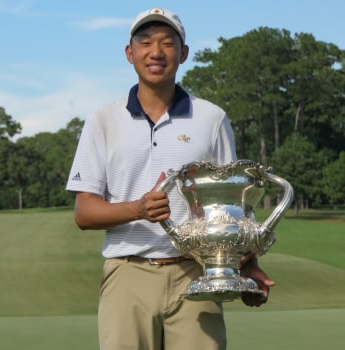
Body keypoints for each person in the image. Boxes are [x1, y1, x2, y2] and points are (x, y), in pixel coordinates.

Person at [66, 7, 274, 350]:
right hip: (127, 272)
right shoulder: (103, 119)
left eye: (167, 43)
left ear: (184, 53)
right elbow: (84, 213)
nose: (156, 52)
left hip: (197, 273)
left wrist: (248, 265)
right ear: (130, 53)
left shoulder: (211, 118)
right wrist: (138, 209)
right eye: (145, 42)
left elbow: (231, 208)